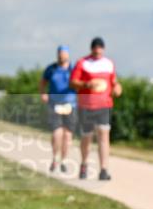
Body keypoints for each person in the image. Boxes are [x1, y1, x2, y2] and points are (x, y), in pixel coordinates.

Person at [70, 37, 122, 180]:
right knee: (87, 136)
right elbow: (73, 82)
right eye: (96, 48)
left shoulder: (109, 63)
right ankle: (84, 164)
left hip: (104, 105)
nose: (98, 51)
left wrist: (117, 88)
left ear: (103, 49)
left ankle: (104, 169)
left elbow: (114, 81)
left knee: (104, 135)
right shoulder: (82, 63)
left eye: (100, 48)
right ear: (92, 49)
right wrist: (86, 84)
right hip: (86, 105)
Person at [39, 45, 77, 173]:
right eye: (59, 54)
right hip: (54, 104)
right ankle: (55, 158)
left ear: (68, 55)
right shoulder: (51, 69)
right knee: (57, 133)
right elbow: (43, 82)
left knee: (67, 135)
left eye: (63, 54)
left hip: (70, 105)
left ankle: (64, 160)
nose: (61, 57)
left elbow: (80, 84)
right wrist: (43, 93)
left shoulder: (73, 69)